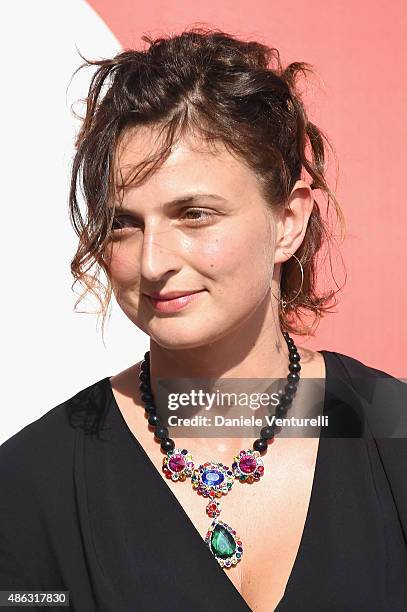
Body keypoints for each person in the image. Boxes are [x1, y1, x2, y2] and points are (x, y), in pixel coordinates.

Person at [1, 27, 406, 612]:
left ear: (288, 222)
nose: (153, 261)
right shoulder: (31, 483)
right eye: (124, 223)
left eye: (193, 214)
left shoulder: (391, 432)